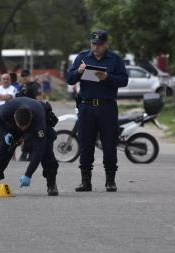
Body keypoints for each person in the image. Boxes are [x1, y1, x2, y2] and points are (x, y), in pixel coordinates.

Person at [67, 29, 128, 192]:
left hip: (107, 107)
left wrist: (107, 78)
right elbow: (69, 78)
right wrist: (79, 71)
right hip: (86, 107)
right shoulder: (82, 57)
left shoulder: (115, 59)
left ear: (106, 44)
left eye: (99, 45)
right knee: (86, 145)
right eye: (93, 44)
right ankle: (85, 181)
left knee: (109, 144)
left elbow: (124, 81)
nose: (96, 48)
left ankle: (110, 181)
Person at [0, 97, 59, 196]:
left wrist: (28, 174)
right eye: (21, 128)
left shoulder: (38, 120)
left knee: (46, 151)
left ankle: (51, 184)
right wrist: (5, 132)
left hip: (38, 120)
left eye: (25, 128)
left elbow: (38, 151)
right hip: (13, 127)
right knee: (3, 150)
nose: (23, 130)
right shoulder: (6, 111)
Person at [0, 73, 18, 160]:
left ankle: (12, 157)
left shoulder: (13, 88)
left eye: (7, 79)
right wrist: (4, 97)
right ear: (1, 80)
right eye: (4, 79)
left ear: (10, 80)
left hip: (9, 118)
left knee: (12, 138)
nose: (5, 80)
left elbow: (9, 97)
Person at [17, 69, 42, 161]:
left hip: (32, 113)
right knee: (24, 135)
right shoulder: (22, 86)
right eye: (22, 76)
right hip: (21, 114)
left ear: (29, 76)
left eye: (26, 76)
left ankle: (28, 154)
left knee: (30, 135)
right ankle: (26, 153)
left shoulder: (34, 86)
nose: (24, 77)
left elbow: (39, 99)